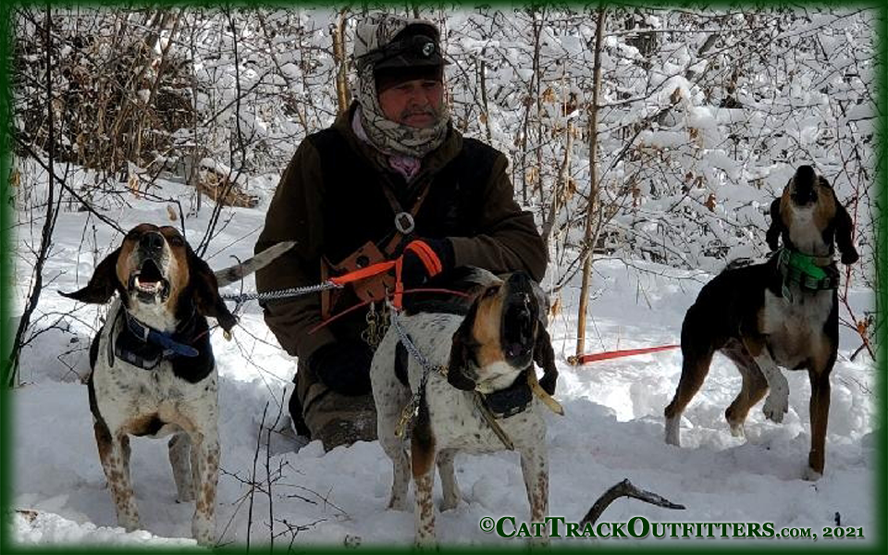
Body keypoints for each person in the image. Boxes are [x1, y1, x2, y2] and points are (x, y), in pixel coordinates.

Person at [255, 14, 547, 450]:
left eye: (430, 85)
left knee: (486, 462)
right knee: (368, 464)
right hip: (353, 361)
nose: (420, 99)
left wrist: (451, 252)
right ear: (371, 89)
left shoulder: (480, 166)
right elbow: (279, 271)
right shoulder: (322, 159)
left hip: (461, 361)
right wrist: (320, 350)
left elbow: (527, 254)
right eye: (402, 87)